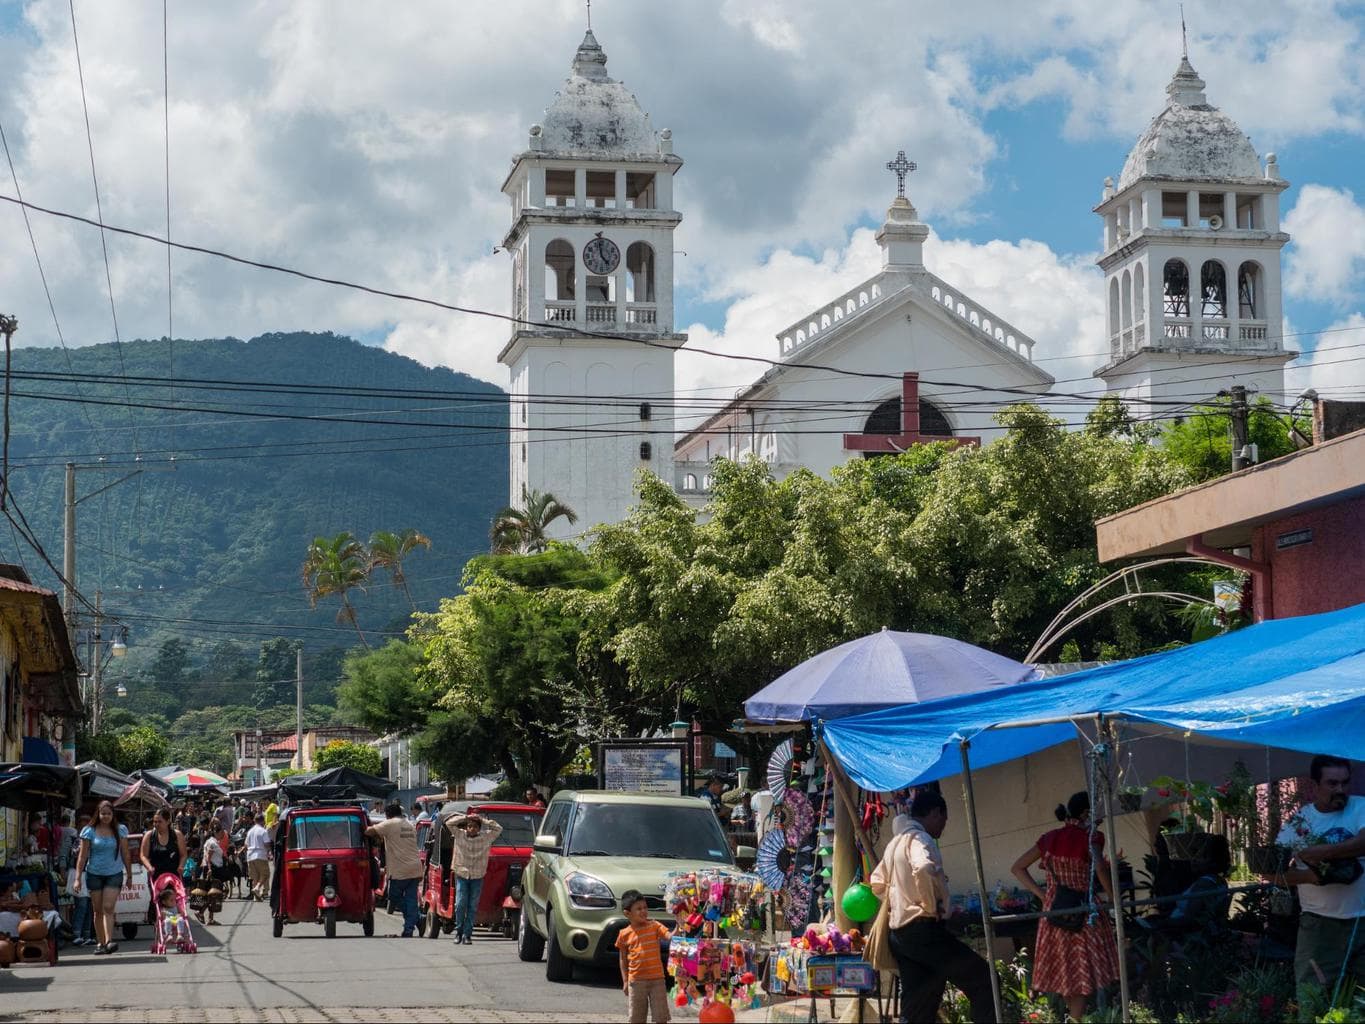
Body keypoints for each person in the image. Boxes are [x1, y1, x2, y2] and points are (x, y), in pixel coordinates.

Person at [869, 790, 996, 1024]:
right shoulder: (920, 838)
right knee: (985, 980)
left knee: (920, 1003)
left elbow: (876, 882)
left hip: (900, 934)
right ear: (935, 813)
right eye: (943, 821)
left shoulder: (894, 843)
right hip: (923, 929)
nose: (942, 828)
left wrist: (899, 898)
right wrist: (928, 905)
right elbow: (925, 868)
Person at [1266, 755, 1365, 1015]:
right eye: (1332, 784)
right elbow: (1273, 873)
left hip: (1362, 920)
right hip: (1319, 925)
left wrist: (1319, 852)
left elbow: (1362, 843)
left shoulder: (1360, 807)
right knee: (1313, 996)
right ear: (1314, 785)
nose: (1340, 790)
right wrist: (1311, 877)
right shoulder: (1299, 822)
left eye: (1345, 783)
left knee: (1360, 1001)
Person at [1010, 791, 1120, 1022]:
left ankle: (1074, 1017)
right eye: (1095, 811)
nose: (1099, 817)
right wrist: (1114, 898)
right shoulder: (1093, 837)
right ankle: (1076, 1019)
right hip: (1082, 909)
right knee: (1080, 972)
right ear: (1084, 813)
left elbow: (1017, 867)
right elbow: (1099, 868)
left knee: (1067, 971)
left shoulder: (1050, 838)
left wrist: (1043, 895)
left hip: (1054, 911)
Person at [73, 799, 133, 954]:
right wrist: (77, 877)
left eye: (109, 813)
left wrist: (130, 875)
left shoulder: (121, 830)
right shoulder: (89, 831)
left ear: (113, 815)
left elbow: (126, 853)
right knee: (97, 910)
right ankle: (100, 943)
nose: (106, 816)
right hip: (94, 874)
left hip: (114, 873)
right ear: (98, 814)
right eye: (103, 813)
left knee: (108, 907)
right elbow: (82, 855)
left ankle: (109, 941)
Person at [444, 811, 503, 945]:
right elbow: (449, 823)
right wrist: (466, 817)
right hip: (462, 874)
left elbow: (499, 828)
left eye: (475, 827)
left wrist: (483, 820)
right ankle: (458, 931)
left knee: (472, 906)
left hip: (477, 875)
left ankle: (467, 934)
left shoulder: (485, 837)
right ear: (466, 827)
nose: (472, 829)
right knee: (460, 904)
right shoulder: (459, 835)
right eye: (469, 826)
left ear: (479, 828)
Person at [616, 889, 673, 1023]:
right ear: (627, 913)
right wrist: (625, 981)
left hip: (657, 980)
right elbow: (623, 959)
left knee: (661, 1017)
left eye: (645, 907)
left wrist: (680, 926)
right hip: (636, 982)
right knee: (637, 1018)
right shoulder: (624, 934)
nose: (643, 911)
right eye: (639, 908)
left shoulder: (655, 926)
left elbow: (669, 936)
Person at [367, 802, 423, 937]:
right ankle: (412, 925)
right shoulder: (410, 824)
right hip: (415, 867)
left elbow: (369, 831)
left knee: (394, 897)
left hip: (400, 869)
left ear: (388, 815)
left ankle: (416, 920)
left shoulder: (390, 824)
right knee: (410, 899)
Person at [140, 808, 188, 885]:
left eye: (160, 822)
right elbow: (143, 855)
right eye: (155, 822)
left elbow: (184, 855)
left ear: (168, 821)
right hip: (155, 876)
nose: (156, 824)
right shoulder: (149, 835)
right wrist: (149, 867)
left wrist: (181, 866)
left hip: (174, 877)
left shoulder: (177, 835)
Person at [68, 814, 95, 945]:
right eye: (82, 824)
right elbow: (74, 853)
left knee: (90, 906)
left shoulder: (94, 839)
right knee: (82, 905)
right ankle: (76, 934)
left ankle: (87, 935)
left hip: (91, 874)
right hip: (80, 875)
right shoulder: (76, 840)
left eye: (87, 824)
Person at [243, 811, 273, 901]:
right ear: (263, 821)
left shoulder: (250, 831)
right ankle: (257, 889)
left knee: (255, 877)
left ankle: (257, 897)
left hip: (250, 855)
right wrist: (269, 852)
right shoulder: (263, 831)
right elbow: (267, 844)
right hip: (260, 855)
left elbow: (246, 844)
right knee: (265, 874)